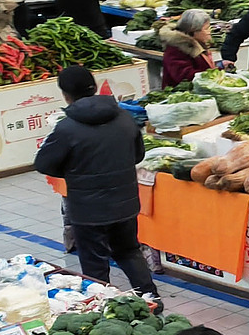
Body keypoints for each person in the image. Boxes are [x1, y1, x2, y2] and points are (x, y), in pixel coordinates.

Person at [34, 64, 158, 299]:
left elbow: (43, 164)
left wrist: (74, 171)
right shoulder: (124, 118)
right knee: (129, 252)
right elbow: (138, 155)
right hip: (125, 203)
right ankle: (151, 298)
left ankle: (103, 305)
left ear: (65, 94)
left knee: (94, 262)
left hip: (88, 209)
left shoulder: (67, 128)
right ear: (95, 87)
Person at [158, 8, 219, 90]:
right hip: (182, 95)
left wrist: (219, 67)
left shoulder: (199, 43)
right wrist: (214, 75)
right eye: (206, 29)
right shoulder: (176, 49)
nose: (209, 32)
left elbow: (204, 67)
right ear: (193, 30)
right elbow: (185, 77)